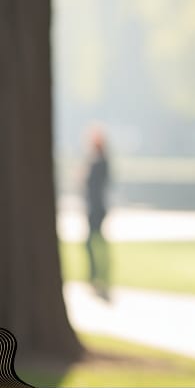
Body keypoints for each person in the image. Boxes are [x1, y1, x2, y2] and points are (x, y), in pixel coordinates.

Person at [83, 125, 112, 298]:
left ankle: (96, 274)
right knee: (94, 241)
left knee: (92, 241)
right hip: (96, 206)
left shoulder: (99, 161)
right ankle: (96, 275)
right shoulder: (101, 161)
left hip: (96, 207)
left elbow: (91, 184)